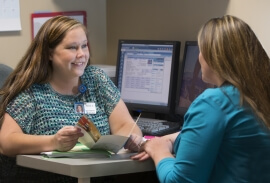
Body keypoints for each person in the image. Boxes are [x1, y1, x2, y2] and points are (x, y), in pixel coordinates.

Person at [0, 15, 143, 183]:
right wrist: (54, 142)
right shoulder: (32, 90)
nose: (81, 54)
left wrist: (130, 139)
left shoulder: (96, 80)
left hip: (96, 175)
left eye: (84, 46)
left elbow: (125, 124)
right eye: (72, 48)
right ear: (49, 53)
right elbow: (7, 142)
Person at [132, 15, 270, 183]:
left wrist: (159, 151)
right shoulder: (257, 96)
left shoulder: (214, 102)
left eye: (201, 50)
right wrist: (169, 139)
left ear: (215, 57)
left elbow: (180, 181)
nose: (199, 57)